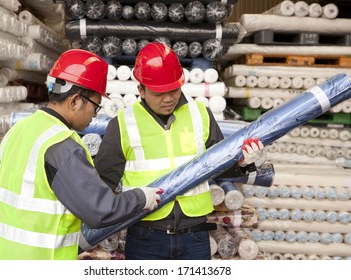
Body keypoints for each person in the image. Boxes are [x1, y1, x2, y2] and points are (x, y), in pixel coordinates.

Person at [0, 49, 162, 260]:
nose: (94, 116)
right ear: (75, 101)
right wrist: (142, 197)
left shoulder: (18, 130)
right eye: (95, 107)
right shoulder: (62, 145)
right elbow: (100, 209)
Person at [94, 42, 265, 260]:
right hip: (146, 237)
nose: (168, 98)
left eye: (173, 89)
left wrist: (242, 163)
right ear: (141, 90)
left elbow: (220, 170)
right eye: (159, 93)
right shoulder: (123, 124)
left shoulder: (200, 114)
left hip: (195, 236)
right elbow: (103, 183)